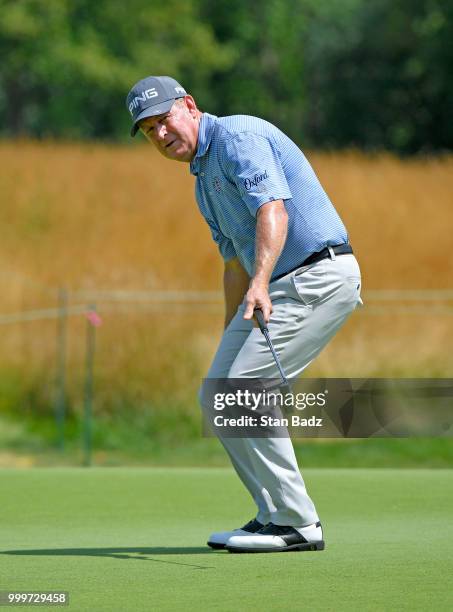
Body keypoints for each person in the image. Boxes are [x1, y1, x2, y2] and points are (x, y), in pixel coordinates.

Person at [126, 76, 362, 553]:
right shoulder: (202, 183)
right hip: (278, 285)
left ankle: (299, 523)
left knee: (245, 392)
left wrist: (259, 283)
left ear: (189, 106)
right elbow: (234, 262)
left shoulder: (237, 137)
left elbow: (272, 210)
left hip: (316, 276)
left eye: (164, 119)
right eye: (149, 130)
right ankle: (273, 515)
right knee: (218, 394)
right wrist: (230, 332)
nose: (161, 134)